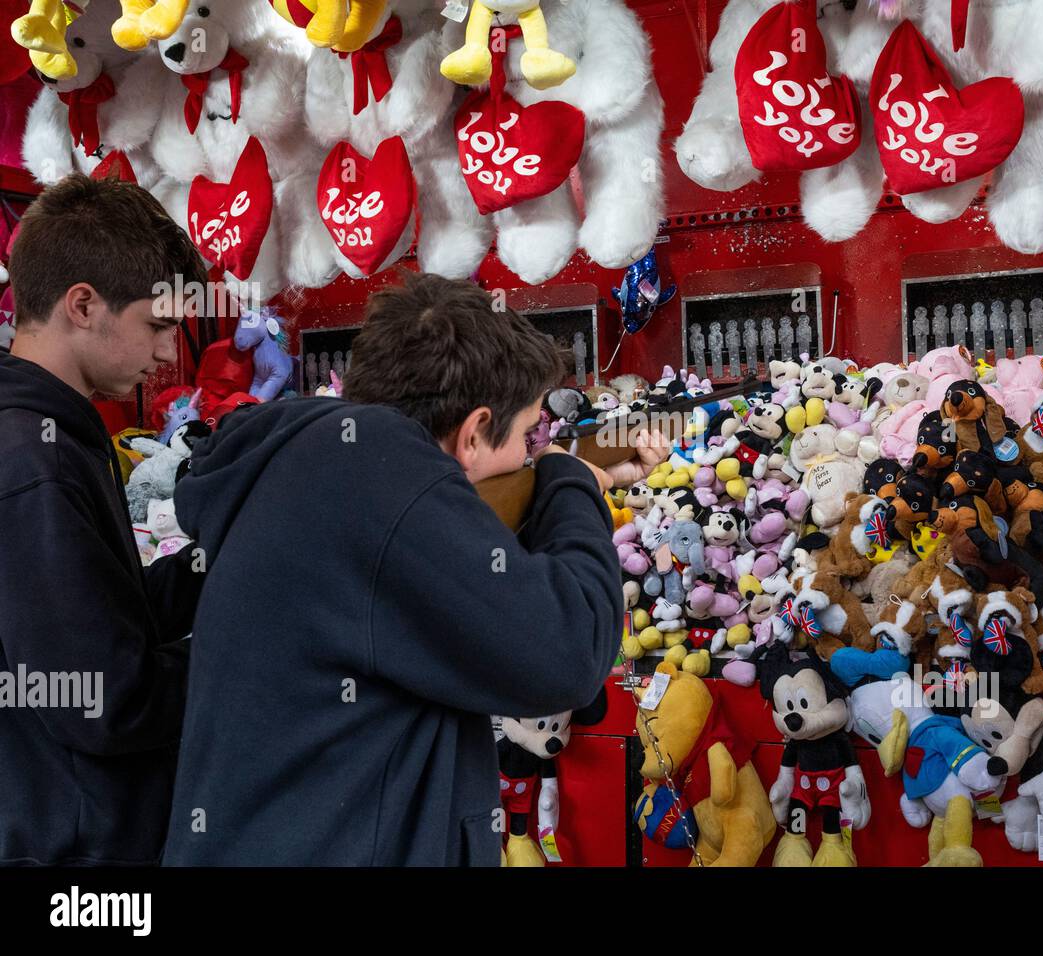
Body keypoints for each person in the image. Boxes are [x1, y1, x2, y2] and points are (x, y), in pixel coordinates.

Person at [163, 274, 666, 866]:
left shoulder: (324, 465)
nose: (532, 451)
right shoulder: (384, 481)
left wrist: (578, 482)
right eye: (529, 435)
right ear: (475, 432)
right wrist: (574, 485)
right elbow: (569, 652)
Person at [0, 174, 210, 865]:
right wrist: (243, 652)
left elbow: (99, 619)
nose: (163, 354)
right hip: (78, 856)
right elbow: (104, 700)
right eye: (155, 326)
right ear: (83, 305)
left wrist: (214, 567)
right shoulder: (36, 461)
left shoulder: (53, 436)